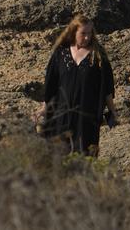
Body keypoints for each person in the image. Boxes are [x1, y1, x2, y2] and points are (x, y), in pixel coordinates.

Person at [38, 15, 117, 155]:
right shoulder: (60, 54)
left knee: (84, 156)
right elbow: (50, 83)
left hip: (86, 117)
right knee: (59, 156)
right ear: (74, 32)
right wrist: (44, 108)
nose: (87, 37)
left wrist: (112, 112)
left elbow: (106, 88)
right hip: (61, 115)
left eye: (90, 33)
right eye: (83, 33)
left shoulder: (98, 56)